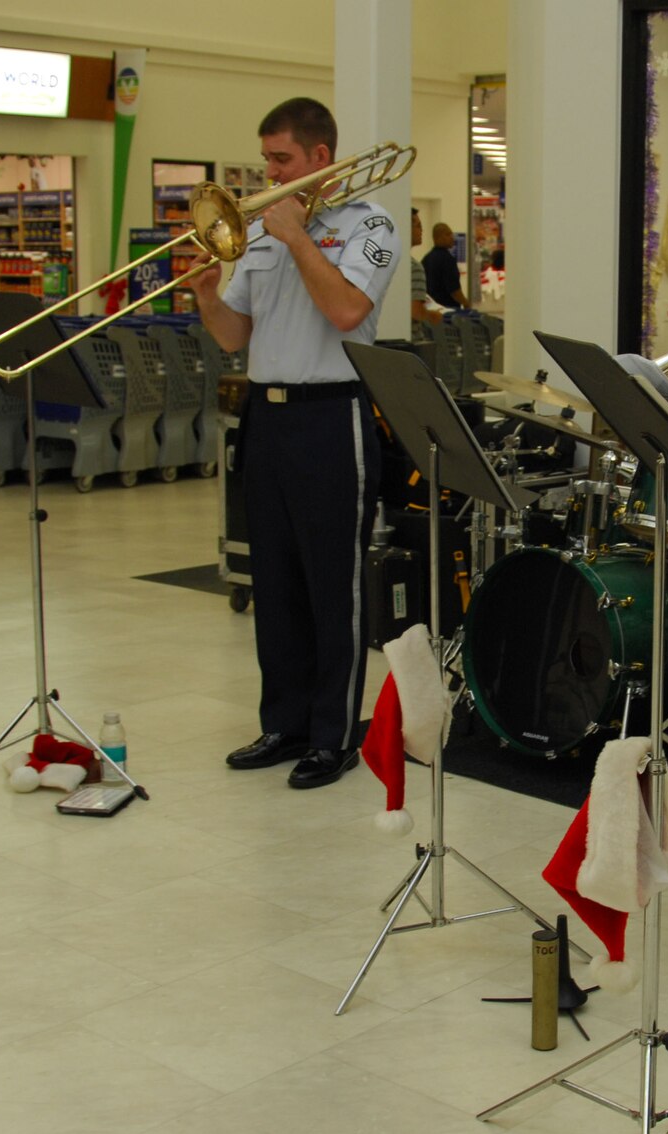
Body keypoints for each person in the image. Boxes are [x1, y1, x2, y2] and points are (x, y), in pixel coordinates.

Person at [189, 97, 399, 789]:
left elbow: (345, 310)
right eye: (266, 160)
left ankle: (332, 734)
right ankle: (281, 722)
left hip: (330, 414)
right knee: (273, 578)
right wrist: (207, 294)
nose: (268, 174)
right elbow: (233, 336)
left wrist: (299, 238)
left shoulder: (370, 225)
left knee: (330, 583)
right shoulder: (259, 234)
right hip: (267, 415)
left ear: (319, 158)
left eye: (281, 160)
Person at [407, 209, 441, 346]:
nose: (422, 231)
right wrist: (433, 316)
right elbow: (415, 311)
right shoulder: (414, 267)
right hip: (412, 342)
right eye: (418, 226)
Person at [423, 221, 469, 311]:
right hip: (448, 310)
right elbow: (454, 290)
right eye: (448, 234)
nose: (452, 238)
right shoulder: (448, 259)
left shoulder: (426, 259)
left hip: (431, 309)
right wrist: (466, 303)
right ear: (437, 237)